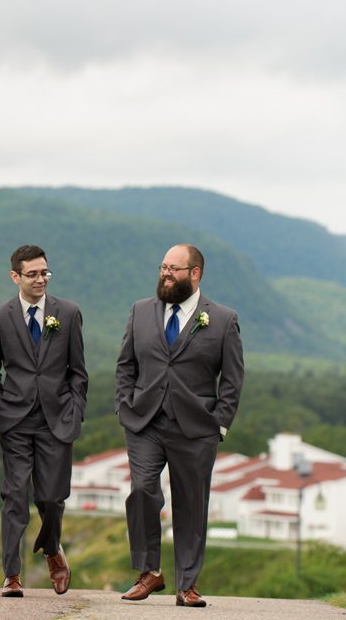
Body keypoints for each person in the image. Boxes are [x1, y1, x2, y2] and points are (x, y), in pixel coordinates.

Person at [116, 244, 243, 608]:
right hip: (145, 422)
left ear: (195, 273)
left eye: (174, 269)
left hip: (196, 428)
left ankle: (187, 585)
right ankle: (149, 572)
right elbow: (126, 364)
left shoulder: (223, 319)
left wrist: (220, 424)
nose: (166, 274)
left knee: (190, 505)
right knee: (142, 491)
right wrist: (125, 406)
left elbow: (232, 379)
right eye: (163, 267)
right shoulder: (140, 311)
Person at [0, 244, 86, 597]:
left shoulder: (68, 313)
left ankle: (53, 548)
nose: (41, 279)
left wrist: (75, 412)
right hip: (14, 419)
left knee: (52, 498)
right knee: (14, 495)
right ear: (16, 276)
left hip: (57, 419)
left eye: (45, 273)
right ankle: (12, 574)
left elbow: (78, 372)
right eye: (33, 274)